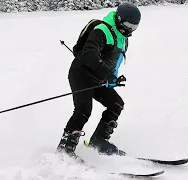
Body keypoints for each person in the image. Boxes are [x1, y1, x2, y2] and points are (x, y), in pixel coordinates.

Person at [56, 2, 141, 160]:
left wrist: (112, 78)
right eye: (128, 25)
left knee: (116, 104)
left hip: (97, 78)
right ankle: (65, 150)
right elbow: (89, 55)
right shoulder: (102, 30)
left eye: (134, 27)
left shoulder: (122, 38)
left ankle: (98, 142)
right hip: (81, 73)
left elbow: (112, 61)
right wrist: (107, 73)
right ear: (119, 19)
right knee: (83, 111)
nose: (130, 29)